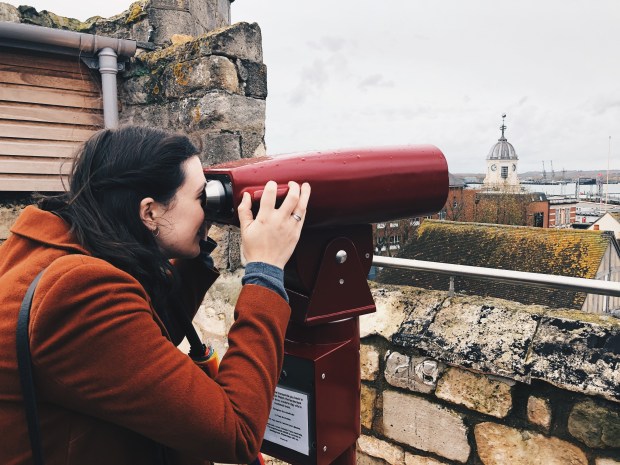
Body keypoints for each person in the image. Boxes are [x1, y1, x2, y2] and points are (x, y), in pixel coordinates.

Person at [0, 125, 311, 464]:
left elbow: (136, 344)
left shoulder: (47, 247)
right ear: (149, 212)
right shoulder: (77, 292)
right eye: (200, 198)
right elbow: (237, 432)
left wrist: (197, 243)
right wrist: (265, 271)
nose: (209, 208)